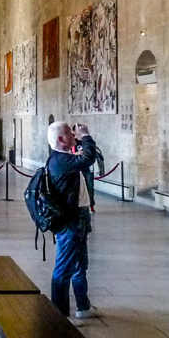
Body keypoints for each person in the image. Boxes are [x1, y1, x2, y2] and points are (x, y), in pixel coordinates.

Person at [46, 120, 97, 319]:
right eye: (69, 133)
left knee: (80, 265)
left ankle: (83, 306)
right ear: (60, 139)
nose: (73, 135)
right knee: (63, 269)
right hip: (70, 223)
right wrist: (86, 136)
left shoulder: (63, 158)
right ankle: (58, 315)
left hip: (79, 219)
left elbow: (82, 162)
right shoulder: (60, 161)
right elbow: (88, 158)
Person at [74, 124, 105, 213]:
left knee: (90, 187)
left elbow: (92, 152)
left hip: (87, 168)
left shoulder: (87, 142)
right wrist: (77, 153)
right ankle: (80, 205)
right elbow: (70, 154)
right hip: (77, 169)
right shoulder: (73, 142)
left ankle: (91, 205)